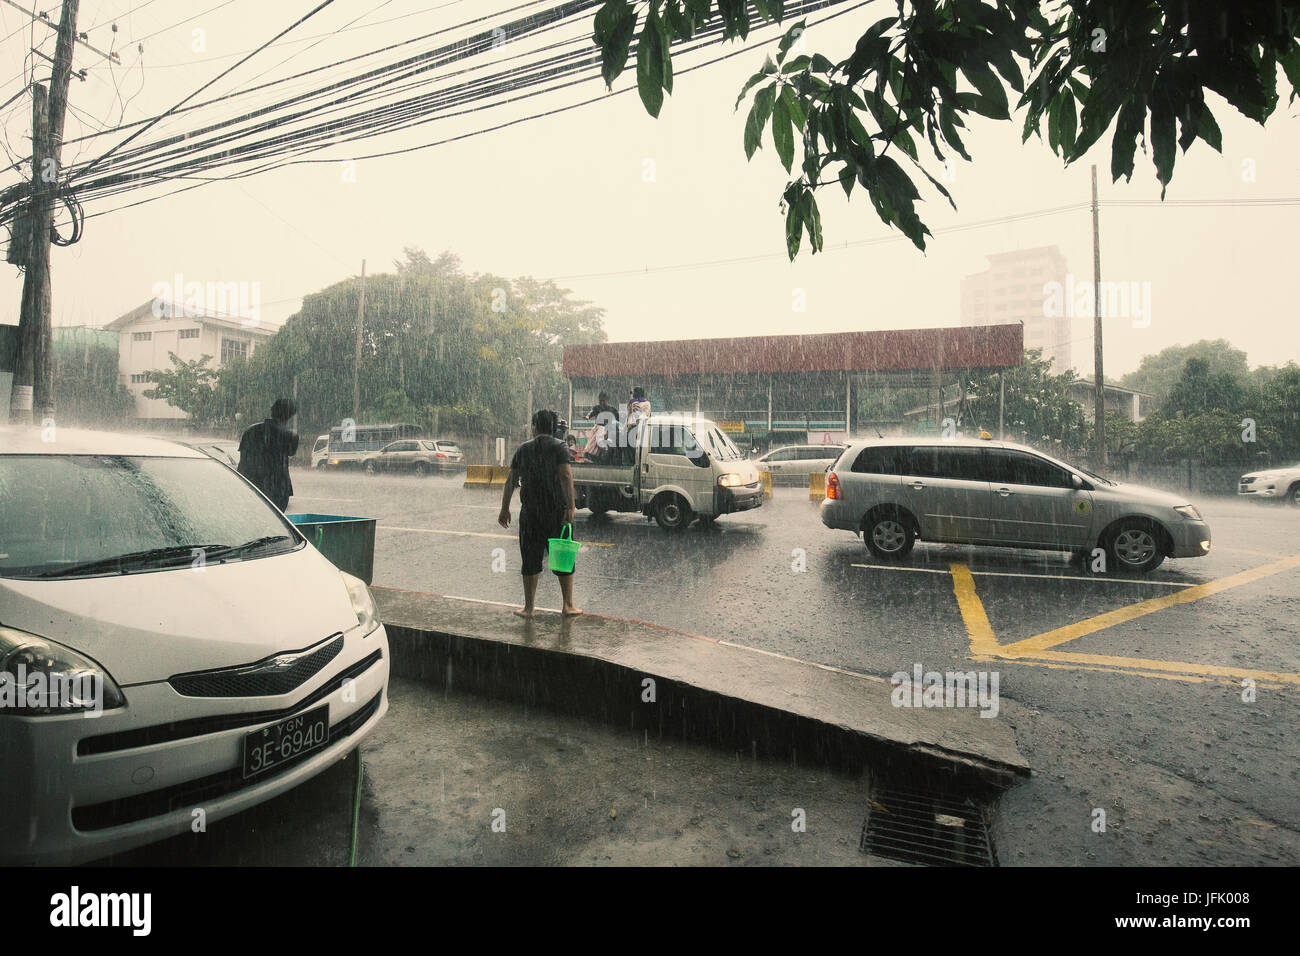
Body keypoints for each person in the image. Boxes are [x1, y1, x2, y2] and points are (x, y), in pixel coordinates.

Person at [498, 409, 582, 618]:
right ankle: (568, 605)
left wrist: (505, 508)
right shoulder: (559, 448)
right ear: (553, 428)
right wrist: (570, 507)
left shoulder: (523, 449)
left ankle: (528, 608)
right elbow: (566, 476)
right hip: (556, 513)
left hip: (530, 514)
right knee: (564, 556)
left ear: (535, 426)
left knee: (530, 559)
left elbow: (511, 480)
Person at [237, 398, 299, 511]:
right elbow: (291, 452)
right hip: (279, 489)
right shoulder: (290, 436)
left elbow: (242, 462)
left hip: (252, 486)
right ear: (291, 415)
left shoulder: (250, 431)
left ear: (272, 410)